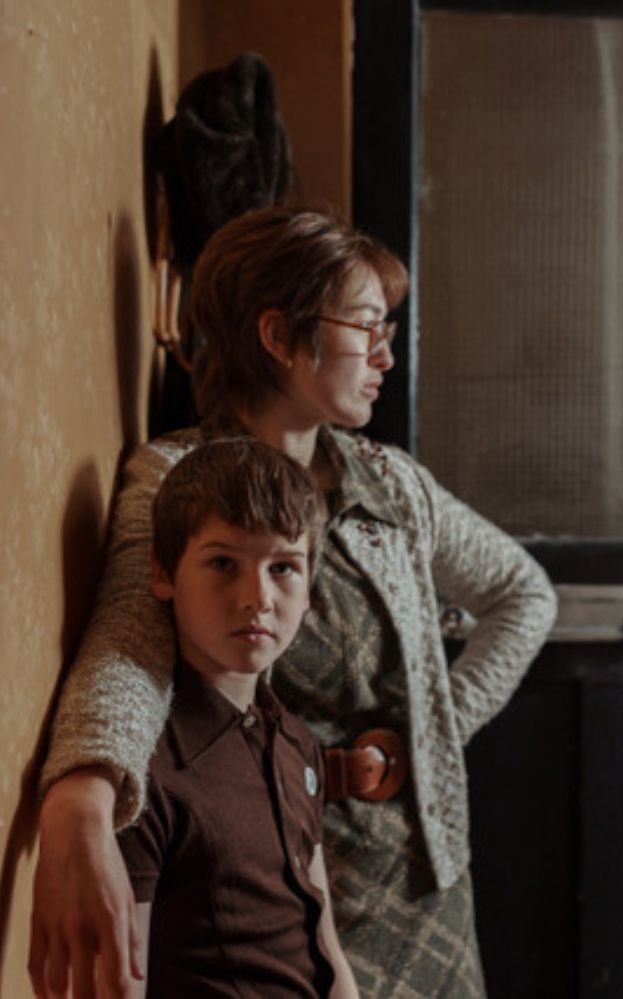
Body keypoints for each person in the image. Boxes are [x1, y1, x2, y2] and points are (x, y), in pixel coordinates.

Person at [29, 205, 557, 999]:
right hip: (287, 887)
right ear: (278, 336)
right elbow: (125, 647)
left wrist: (433, 730)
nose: (385, 352)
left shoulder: (391, 481)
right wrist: (83, 788)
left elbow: (525, 594)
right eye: (366, 326)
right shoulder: (177, 478)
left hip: (425, 877)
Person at [115, 437, 357, 997]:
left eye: (283, 568)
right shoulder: (144, 781)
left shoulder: (297, 743)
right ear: (163, 573)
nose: (257, 598)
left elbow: (327, 947)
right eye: (224, 563)